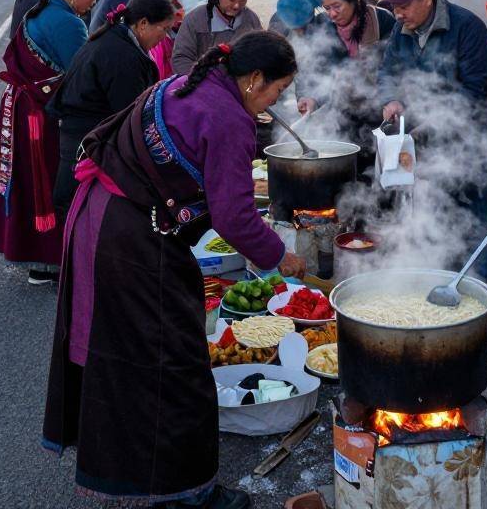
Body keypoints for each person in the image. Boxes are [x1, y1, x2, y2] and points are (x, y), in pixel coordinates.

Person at [43, 31, 306, 508]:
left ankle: (129, 469)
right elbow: (235, 218)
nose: (276, 101)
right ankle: (188, 494)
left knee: (126, 357)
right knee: (176, 364)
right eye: (277, 90)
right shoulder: (228, 120)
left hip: (100, 219)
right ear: (252, 79)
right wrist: (281, 257)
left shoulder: (185, 84)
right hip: (132, 240)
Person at [376, 0, 487, 281]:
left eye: (403, 6)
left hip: (473, 137)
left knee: (473, 212)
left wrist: (428, 125)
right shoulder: (402, 30)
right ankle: (436, 280)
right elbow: (387, 71)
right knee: (430, 205)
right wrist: (390, 99)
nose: (398, 14)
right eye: (394, 8)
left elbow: (474, 91)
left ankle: (478, 297)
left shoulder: (466, 27)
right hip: (426, 137)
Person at [0, 0, 101, 286]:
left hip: (22, 108)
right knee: (50, 180)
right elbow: (82, 75)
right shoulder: (67, 23)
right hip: (42, 116)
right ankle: (49, 260)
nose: (93, 3)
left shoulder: (42, 10)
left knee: (28, 181)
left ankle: (37, 259)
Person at [50, 0, 176, 222]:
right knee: (80, 205)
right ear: (143, 23)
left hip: (85, 132)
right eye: (165, 29)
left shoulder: (116, 37)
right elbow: (130, 116)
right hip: (86, 136)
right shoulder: (122, 56)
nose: (166, 37)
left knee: (79, 203)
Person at [172, 0, 261, 75]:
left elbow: (260, 55)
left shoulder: (251, 20)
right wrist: (204, 82)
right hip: (201, 84)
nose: (237, 6)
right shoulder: (195, 19)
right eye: (232, 0)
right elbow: (181, 59)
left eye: (243, 0)